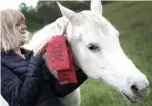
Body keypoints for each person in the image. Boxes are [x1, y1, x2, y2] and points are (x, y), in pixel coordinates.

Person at [1, 9, 88, 106]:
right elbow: (20, 100)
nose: (24, 26)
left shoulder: (29, 54)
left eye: (23, 23)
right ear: (5, 31)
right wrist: (35, 61)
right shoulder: (2, 64)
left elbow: (56, 90)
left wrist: (80, 69)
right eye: (18, 24)